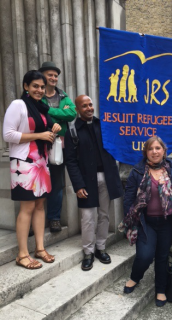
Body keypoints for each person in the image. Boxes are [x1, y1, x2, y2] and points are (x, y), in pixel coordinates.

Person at [3, 70, 61, 269]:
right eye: (35, 86)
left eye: (42, 87)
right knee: (27, 207)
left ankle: (39, 248)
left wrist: (54, 129)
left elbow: (48, 128)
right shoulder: (18, 105)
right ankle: (22, 254)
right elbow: (8, 134)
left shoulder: (41, 108)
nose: (39, 90)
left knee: (39, 205)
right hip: (24, 162)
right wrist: (40, 136)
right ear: (25, 86)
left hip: (41, 161)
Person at [119, 136, 172, 307]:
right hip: (145, 222)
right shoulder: (138, 171)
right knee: (145, 255)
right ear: (145, 152)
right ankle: (135, 277)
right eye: (150, 149)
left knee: (162, 256)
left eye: (157, 148)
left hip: (167, 222)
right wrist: (130, 220)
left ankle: (161, 289)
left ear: (164, 150)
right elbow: (129, 198)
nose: (154, 152)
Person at [64, 95, 123, 271]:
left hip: (106, 177)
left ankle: (100, 248)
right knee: (88, 218)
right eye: (85, 106)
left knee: (104, 215)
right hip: (86, 181)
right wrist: (78, 185)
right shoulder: (72, 131)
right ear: (77, 109)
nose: (89, 108)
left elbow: (115, 148)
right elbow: (71, 161)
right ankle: (88, 252)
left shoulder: (103, 126)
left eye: (91, 104)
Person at [39, 61, 77, 233]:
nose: (53, 78)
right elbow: (35, 115)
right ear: (43, 76)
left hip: (58, 147)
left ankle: (54, 218)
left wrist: (48, 111)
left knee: (56, 183)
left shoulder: (62, 95)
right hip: (38, 144)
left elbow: (72, 114)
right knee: (35, 182)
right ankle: (33, 220)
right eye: (50, 75)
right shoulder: (35, 93)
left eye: (55, 75)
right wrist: (59, 117)